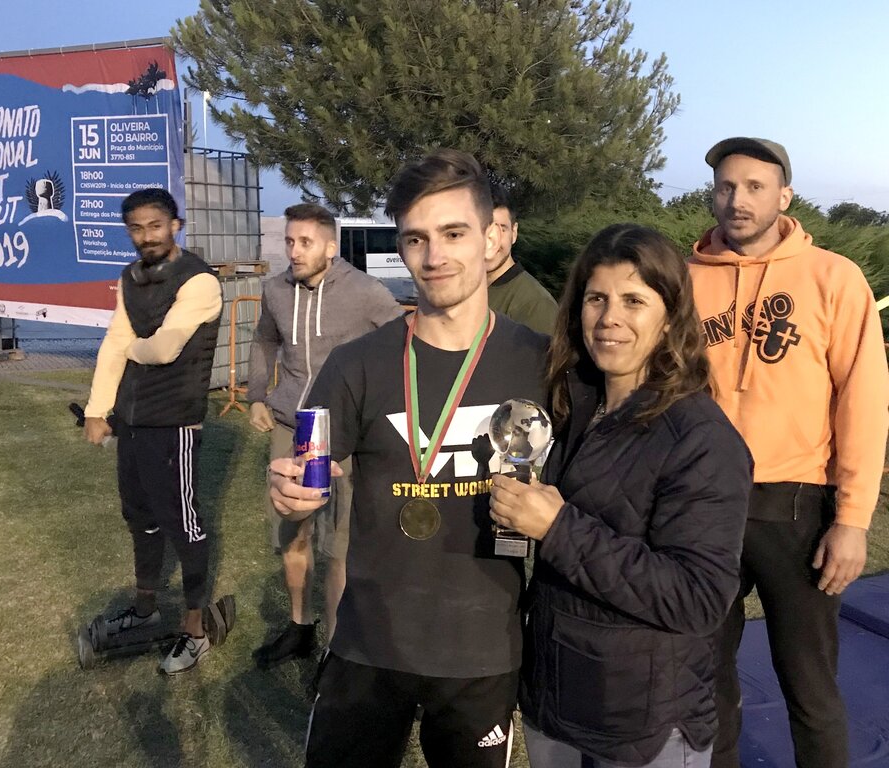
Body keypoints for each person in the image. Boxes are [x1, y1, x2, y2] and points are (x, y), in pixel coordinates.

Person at [269, 149, 548, 768]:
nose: (434, 255)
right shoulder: (356, 364)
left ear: (491, 238)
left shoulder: (541, 362)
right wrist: (290, 492)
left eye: (454, 233)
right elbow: (306, 469)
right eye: (416, 239)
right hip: (371, 640)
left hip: (482, 649)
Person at [490, 224, 752, 767]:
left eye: (634, 300)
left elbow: (699, 598)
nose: (610, 317)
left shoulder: (700, 438)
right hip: (556, 700)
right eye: (596, 299)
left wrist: (558, 528)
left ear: (670, 316)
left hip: (644, 721)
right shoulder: (573, 405)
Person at [688, 137, 889, 768]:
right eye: (726, 186)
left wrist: (852, 520)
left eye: (755, 186)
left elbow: (863, 402)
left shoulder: (833, 277)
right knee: (705, 678)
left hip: (797, 504)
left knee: (809, 684)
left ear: (785, 196)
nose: (737, 199)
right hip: (702, 503)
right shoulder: (684, 279)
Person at [248, 202, 401, 668]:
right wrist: (257, 395)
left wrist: (379, 406)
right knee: (292, 536)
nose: (294, 251)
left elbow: (402, 343)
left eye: (305, 242)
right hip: (291, 427)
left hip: (346, 436)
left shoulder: (366, 292)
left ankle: (336, 652)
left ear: (330, 247)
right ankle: (300, 626)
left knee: (340, 548)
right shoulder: (276, 290)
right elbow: (264, 339)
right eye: (289, 241)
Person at [84, 187, 226, 675]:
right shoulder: (130, 278)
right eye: (136, 229)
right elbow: (113, 342)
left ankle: (195, 630)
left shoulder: (199, 280)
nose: (146, 236)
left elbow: (164, 348)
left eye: (155, 226)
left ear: (175, 226)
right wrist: (97, 410)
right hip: (132, 420)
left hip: (174, 422)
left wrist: (129, 346)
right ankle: (144, 608)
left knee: (182, 523)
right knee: (139, 515)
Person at [486, 185, 559, 334]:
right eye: (482, 229)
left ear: (514, 233)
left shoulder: (536, 304)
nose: (491, 242)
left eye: (501, 229)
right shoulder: (457, 290)